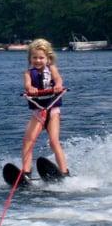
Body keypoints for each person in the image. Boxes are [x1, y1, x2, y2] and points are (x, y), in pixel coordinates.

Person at [22, 38, 69, 179]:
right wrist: (31, 89)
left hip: (52, 111)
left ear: (48, 58)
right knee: (28, 141)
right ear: (30, 59)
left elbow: (59, 79)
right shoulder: (28, 73)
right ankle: (26, 173)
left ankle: (65, 172)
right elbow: (27, 85)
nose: (37, 60)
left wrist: (58, 85)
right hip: (38, 112)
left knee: (54, 141)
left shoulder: (52, 69)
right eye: (34, 57)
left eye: (41, 58)